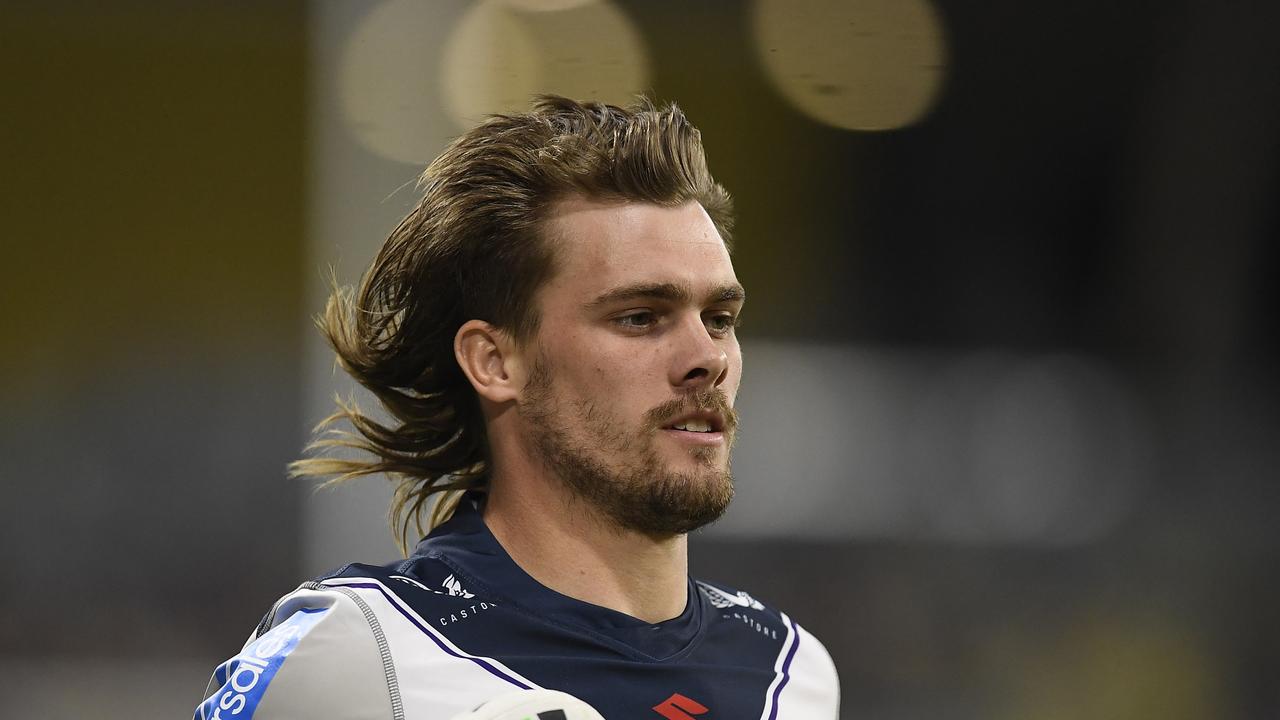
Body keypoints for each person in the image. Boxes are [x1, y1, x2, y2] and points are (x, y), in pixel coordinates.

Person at [195, 96, 839, 719]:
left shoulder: (791, 673)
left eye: (720, 318)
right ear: (495, 362)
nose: (709, 358)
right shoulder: (364, 652)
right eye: (640, 317)